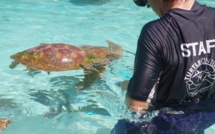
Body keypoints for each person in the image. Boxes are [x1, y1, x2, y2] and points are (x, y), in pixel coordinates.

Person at [112, 0, 215, 133]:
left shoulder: (156, 32)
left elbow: (137, 106)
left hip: (168, 122)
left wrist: (129, 88)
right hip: (208, 115)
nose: (150, 7)